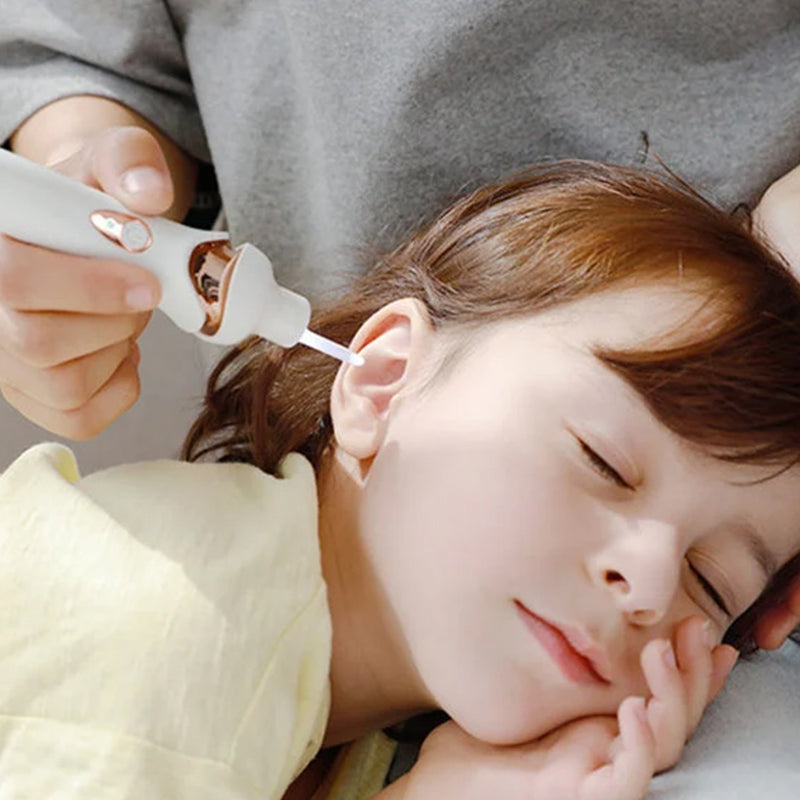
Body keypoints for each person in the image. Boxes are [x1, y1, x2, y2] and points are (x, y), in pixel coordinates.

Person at [2, 161, 800, 799]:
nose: (652, 582)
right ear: (383, 381)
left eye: (712, 582)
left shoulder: (327, 702)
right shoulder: (172, 620)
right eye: (603, 461)